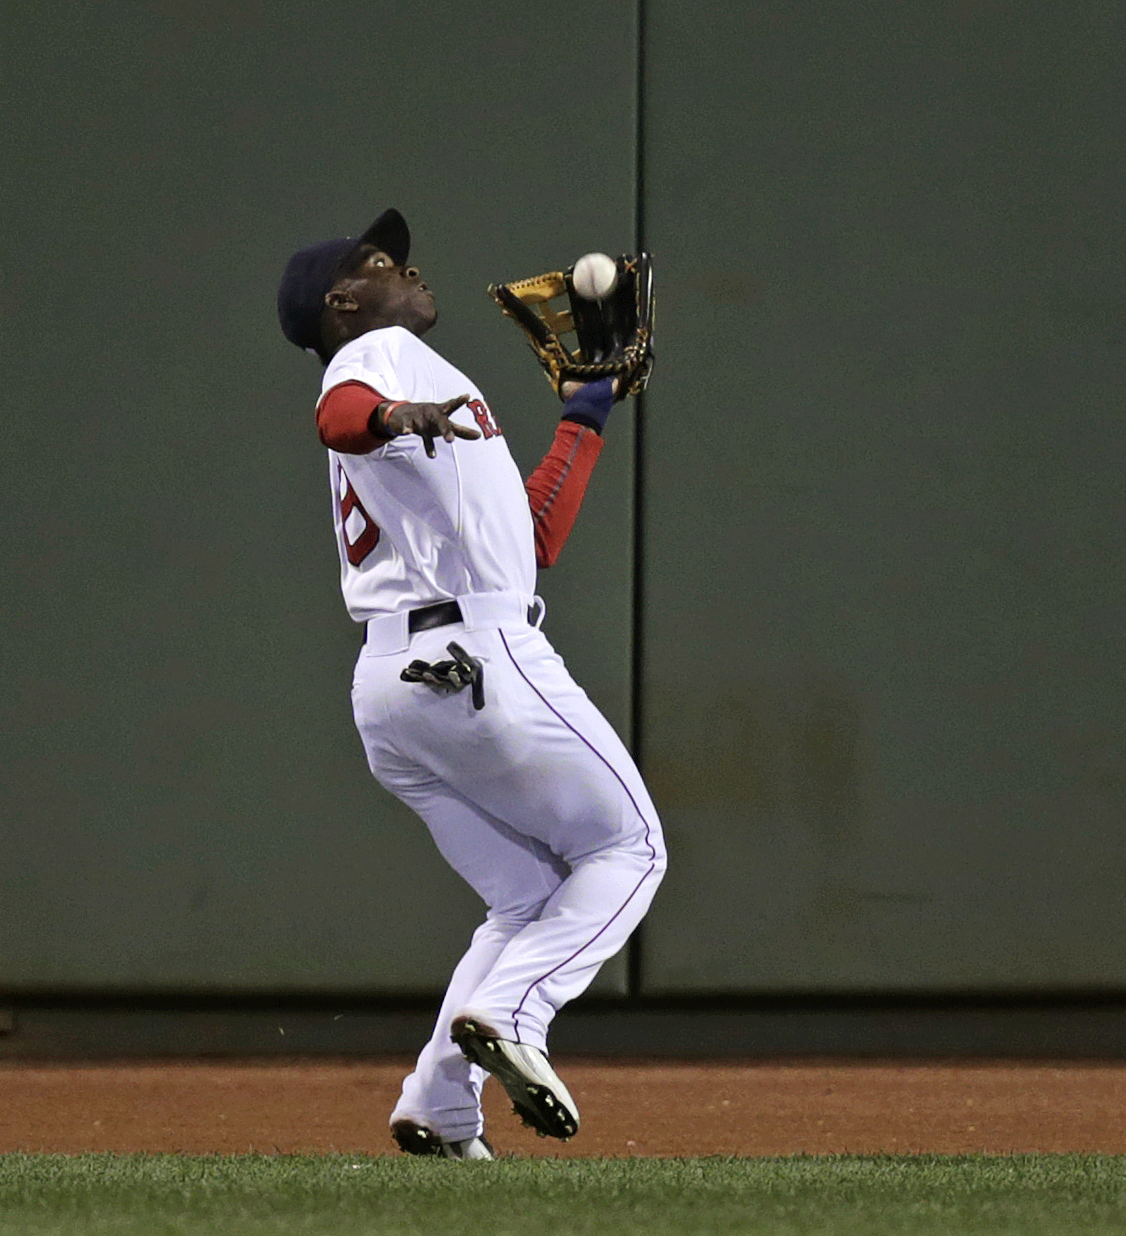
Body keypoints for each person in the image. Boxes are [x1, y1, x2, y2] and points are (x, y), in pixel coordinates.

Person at [277, 209, 666, 1159]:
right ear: (343, 301)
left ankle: (440, 1105)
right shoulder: (376, 359)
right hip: (473, 663)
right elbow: (340, 414)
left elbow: (531, 545)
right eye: (381, 263)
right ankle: (517, 1017)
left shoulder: (427, 385)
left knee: (527, 899)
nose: (408, 270)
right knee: (631, 849)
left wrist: (585, 411)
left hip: (397, 689)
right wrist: (386, 415)